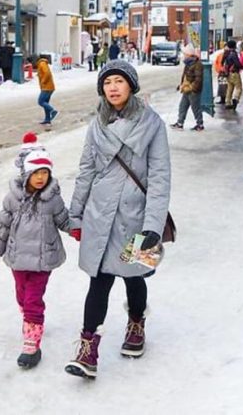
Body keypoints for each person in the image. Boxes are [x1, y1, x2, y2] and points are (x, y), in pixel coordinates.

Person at [64, 59, 171, 379]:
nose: (112, 87)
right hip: (100, 215)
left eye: (119, 81)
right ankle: (87, 349)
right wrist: (76, 215)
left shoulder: (153, 124)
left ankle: (136, 322)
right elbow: (86, 171)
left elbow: (160, 178)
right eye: (107, 82)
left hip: (137, 217)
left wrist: (153, 225)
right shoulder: (97, 123)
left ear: (131, 86)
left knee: (134, 275)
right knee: (99, 280)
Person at [0, 133, 70, 369]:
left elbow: (65, 220)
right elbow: (2, 227)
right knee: (22, 294)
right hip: (18, 259)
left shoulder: (52, 200)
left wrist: (79, 231)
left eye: (45, 173)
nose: (41, 177)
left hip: (42, 259)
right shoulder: (13, 199)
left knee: (32, 299)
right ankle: (29, 314)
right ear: (26, 174)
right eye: (36, 173)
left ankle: (32, 343)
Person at [170, 44, 204, 131]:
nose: (183, 55)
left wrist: (193, 88)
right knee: (182, 106)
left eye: (185, 54)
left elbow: (198, 78)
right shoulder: (188, 64)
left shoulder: (197, 64)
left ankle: (200, 124)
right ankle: (180, 123)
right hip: (186, 89)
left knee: (195, 107)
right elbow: (185, 76)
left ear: (189, 54)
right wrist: (181, 85)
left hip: (193, 90)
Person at [222, 40, 243, 110]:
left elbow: (222, 63)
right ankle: (235, 99)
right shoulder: (233, 54)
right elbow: (237, 64)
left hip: (228, 73)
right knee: (239, 88)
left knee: (230, 88)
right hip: (234, 73)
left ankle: (227, 102)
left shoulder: (226, 53)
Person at [36, 54, 58, 125]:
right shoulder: (43, 64)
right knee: (45, 103)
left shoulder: (42, 64)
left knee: (41, 101)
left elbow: (47, 73)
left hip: (47, 87)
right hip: (48, 87)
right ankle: (47, 119)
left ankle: (52, 110)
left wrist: (43, 81)